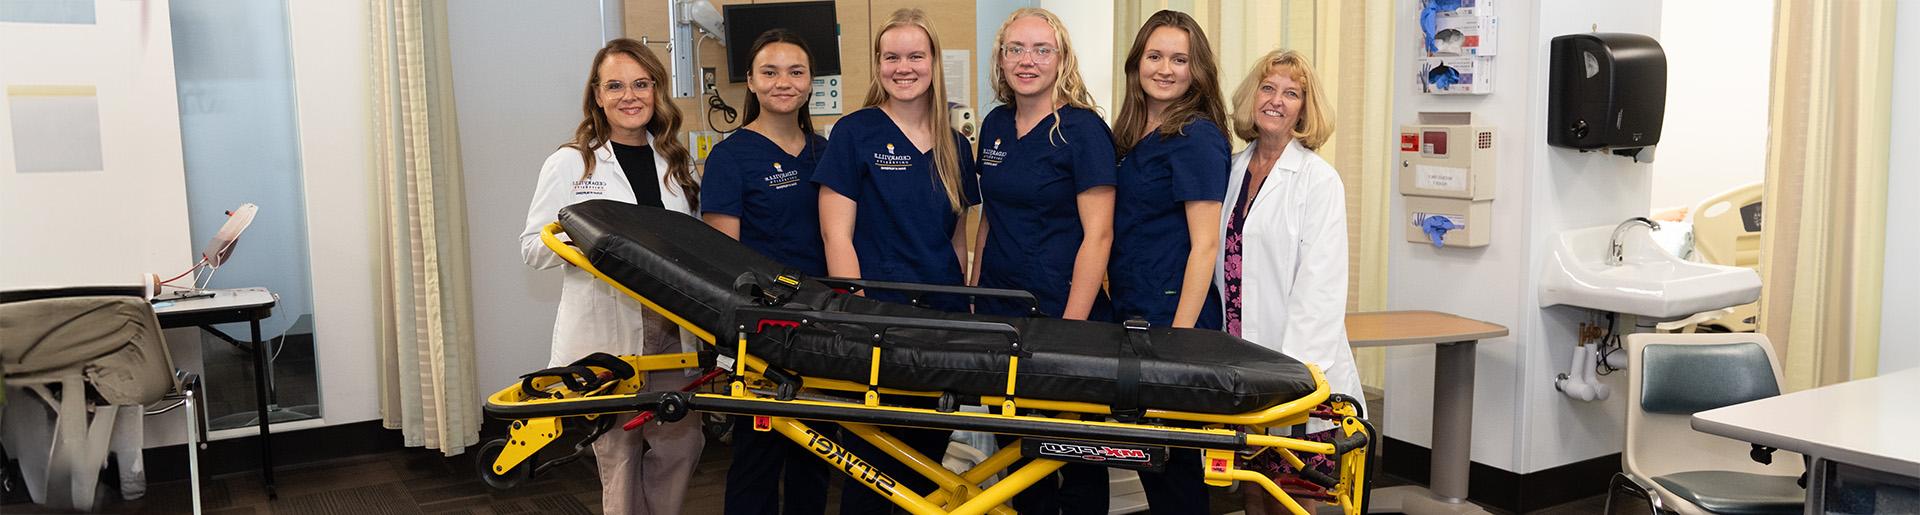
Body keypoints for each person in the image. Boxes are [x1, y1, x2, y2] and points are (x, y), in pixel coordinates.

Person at [517, 38, 703, 515]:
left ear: (657, 92)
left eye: (641, 84)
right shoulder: (571, 162)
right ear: (597, 96)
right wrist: (590, 247)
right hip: (611, 332)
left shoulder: (676, 164)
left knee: (680, 444)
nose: (629, 96)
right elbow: (533, 247)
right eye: (615, 85)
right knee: (619, 455)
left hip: (670, 327)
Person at [809, 8, 978, 514]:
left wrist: (966, 307)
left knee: (928, 456)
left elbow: (957, 240)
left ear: (933, 64)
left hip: (940, 320)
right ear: (878, 64)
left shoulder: (955, 144)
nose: (903, 67)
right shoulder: (854, 133)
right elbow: (836, 236)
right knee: (871, 465)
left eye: (915, 56)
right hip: (876, 320)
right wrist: (858, 313)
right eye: (891, 57)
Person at [970, 8, 1115, 514]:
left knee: (1075, 458)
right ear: (1001, 57)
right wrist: (974, 296)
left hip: (1064, 313)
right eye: (1015, 49)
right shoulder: (993, 125)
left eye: (1040, 50)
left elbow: (1098, 234)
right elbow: (990, 218)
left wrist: (1071, 329)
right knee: (1019, 452)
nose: (1026, 61)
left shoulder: (1082, 130)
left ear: (1061, 59)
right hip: (1001, 310)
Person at [1219, 49, 1361, 515]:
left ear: (1305, 108)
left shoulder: (1318, 181)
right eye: (1268, 88)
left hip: (1293, 366)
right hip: (1241, 357)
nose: (1276, 100)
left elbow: (1321, 289)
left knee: (1293, 493)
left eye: (1291, 93)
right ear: (1252, 97)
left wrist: (1297, 384)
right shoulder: (1233, 169)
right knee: (1252, 485)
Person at [703, 29, 832, 515]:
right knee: (758, 458)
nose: (784, 82)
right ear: (751, 83)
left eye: (796, 72)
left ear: (810, 83)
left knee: (816, 454)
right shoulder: (731, 157)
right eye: (770, 72)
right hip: (761, 331)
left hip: (823, 322)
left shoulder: (825, 152)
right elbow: (722, 258)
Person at [1107, 10, 1230, 514]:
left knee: (1174, 470)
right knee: (1152, 463)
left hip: (1174, 320)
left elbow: (1205, 245)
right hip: (1136, 314)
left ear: (1197, 70)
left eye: (1180, 59)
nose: (1166, 68)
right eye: (1155, 56)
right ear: (1137, 64)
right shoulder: (1132, 132)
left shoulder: (1195, 137)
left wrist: (1178, 338)